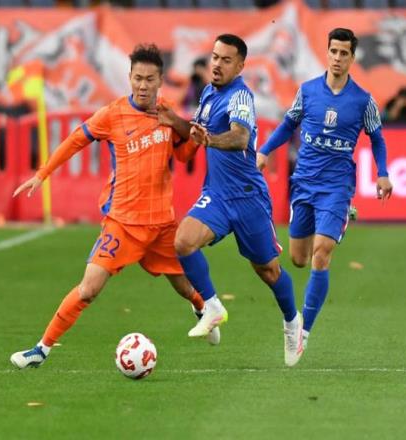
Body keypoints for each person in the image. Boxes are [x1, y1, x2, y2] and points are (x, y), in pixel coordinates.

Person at [10, 44, 219, 369]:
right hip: (122, 223)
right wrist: (42, 174)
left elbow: (183, 154)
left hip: (162, 224)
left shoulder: (166, 112)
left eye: (150, 79)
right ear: (130, 77)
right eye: (138, 78)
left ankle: (202, 308)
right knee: (88, 289)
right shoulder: (112, 114)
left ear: (160, 80)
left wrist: (186, 130)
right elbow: (75, 140)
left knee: (183, 285)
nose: (143, 85)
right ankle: (41, 349)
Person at [158, 34, 304, 367]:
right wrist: (173, 120)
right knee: (182, 242)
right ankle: (212, 306)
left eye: (226, 60)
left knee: (267, 270)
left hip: (248, 198)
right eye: (215, 57)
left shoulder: (240, 96)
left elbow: (240, 137)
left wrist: (209, 139)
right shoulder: (209, 94)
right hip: (217, 195)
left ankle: (292, 320)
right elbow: (197, 132)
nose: (217, 64)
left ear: (240, 66)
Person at [257, 28, 393, 350]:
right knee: (299, 259)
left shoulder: (363, 101)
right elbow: (288, 125)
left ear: (352, 58)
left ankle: (303, 331)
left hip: (336, 187)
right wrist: (264, 151)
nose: (337, 58)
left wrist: (383, 173)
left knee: (321, 253)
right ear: (327, 52)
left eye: (344, 53)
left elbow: (377, 138)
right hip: (304, 183)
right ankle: (337, 220)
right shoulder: (307, 92)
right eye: (333, 51)